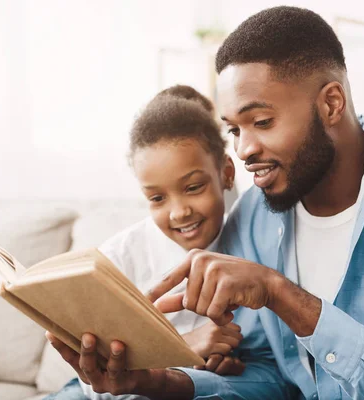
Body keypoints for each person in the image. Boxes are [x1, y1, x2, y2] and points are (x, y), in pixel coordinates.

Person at [52, 6, 364, 399]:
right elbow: (272, 379)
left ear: (330, 104)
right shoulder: (253, 218)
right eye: (234, 129)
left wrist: (281, 293)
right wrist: (158, 383)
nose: (244, 149)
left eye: (262, 121)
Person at [45, 86, 294, 399]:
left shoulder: (252, 249)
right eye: (157, 198)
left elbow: (269, 372)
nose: (179, 212)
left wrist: (222, 368)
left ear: (226, 173)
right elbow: (96, 385)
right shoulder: (118, 259)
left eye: (192, 187)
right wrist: (184, 348)